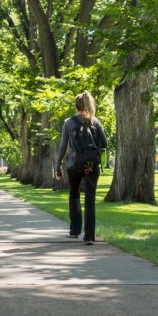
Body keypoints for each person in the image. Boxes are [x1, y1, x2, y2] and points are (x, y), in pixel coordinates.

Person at [55, 90, 108, 245]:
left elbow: (63, 146)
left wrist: (58, 166)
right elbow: (104, 144)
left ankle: (75, 230)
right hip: (92, 164)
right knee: (90, 199)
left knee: (74, 194)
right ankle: (89, 237)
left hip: (74, 164)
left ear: (76, 107)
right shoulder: (95, 121)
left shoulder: (69, 123)